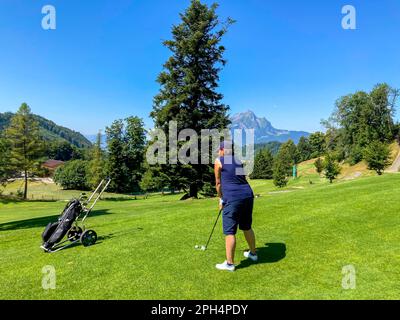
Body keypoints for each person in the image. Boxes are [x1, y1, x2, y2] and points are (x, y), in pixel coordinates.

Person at [214, 141, 257, 272]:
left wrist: (221, 199)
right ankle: (253, 254)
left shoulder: (218, 160)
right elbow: (240, 178)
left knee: (230, 232)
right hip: (247, 196)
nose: (218, 152)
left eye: (219, 149)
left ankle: (229, 263)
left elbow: (218, 183)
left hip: (233, 198)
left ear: (222, 150)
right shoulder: (238, 160)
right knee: (246, 226)